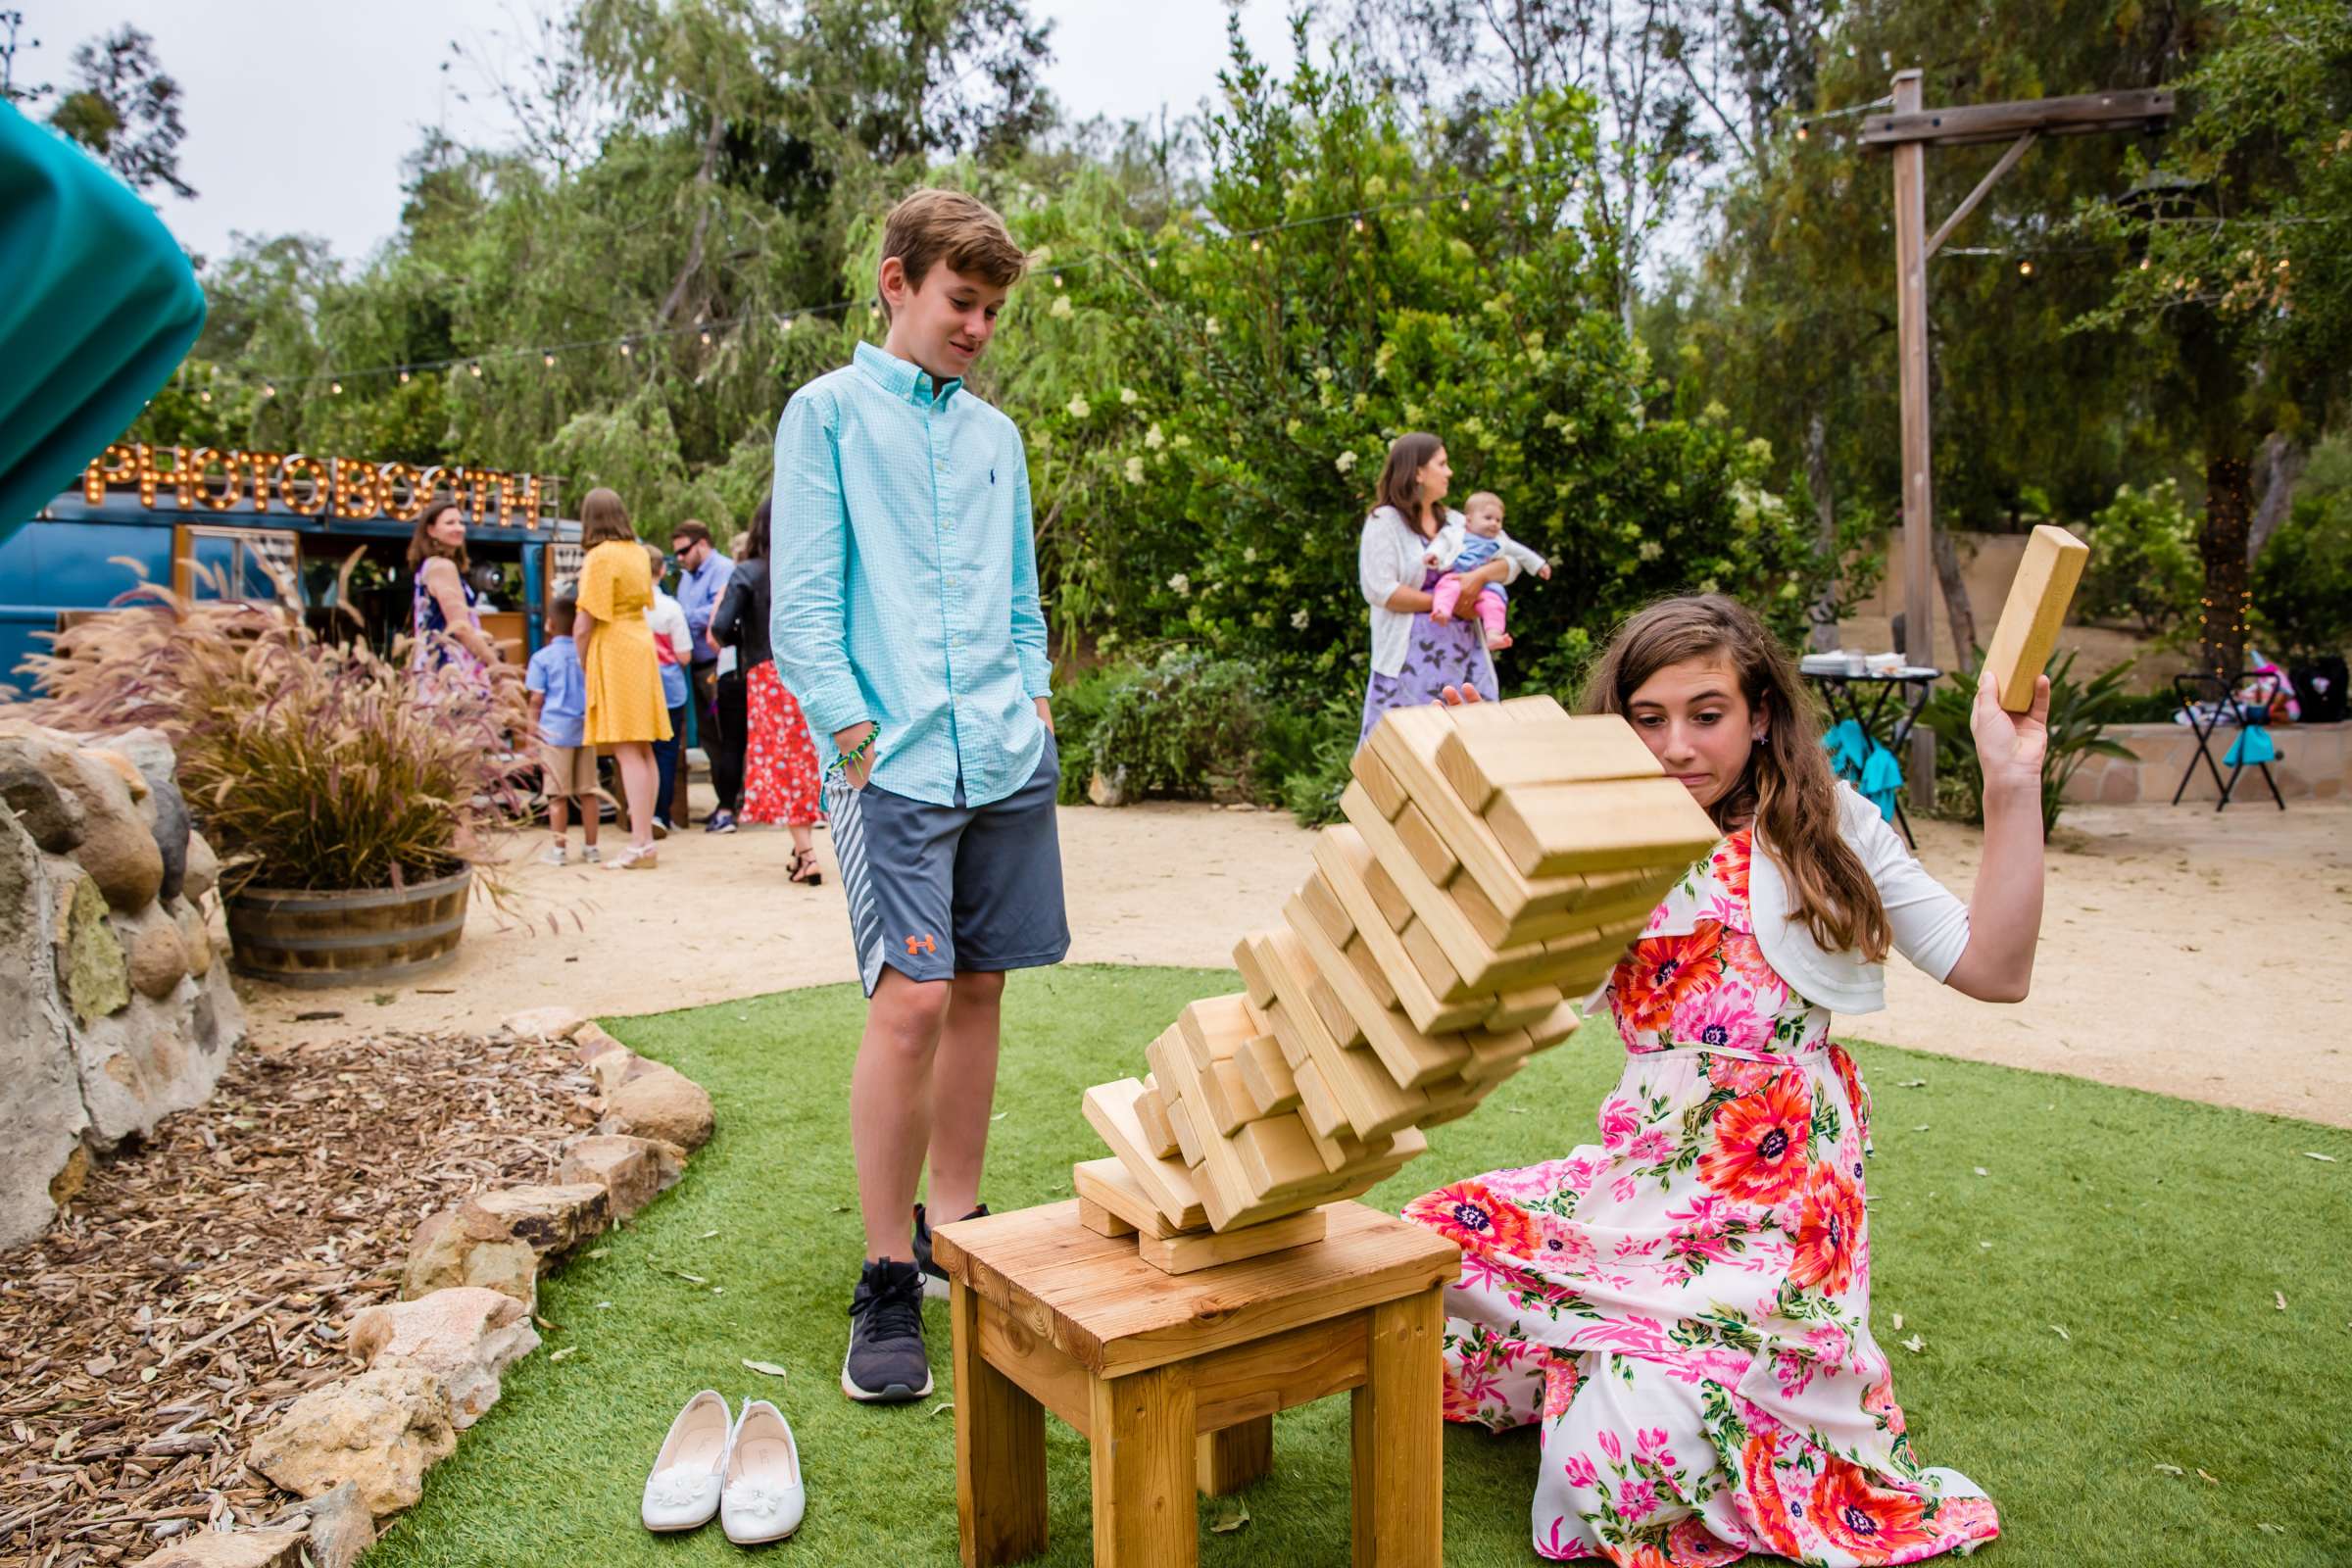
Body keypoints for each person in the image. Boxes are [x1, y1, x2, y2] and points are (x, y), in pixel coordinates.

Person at [1405, 594, 2045, 1565]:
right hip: (1642, 1189)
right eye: (1647, 717)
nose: (1675, 745)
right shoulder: (1601, 842)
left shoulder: (1830, 827)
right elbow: (1484, 1004)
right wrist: (1473, 813)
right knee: (1426, 1243)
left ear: (1758, 714)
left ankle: (1634, 1365)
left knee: (1595, 1484)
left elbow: (1995, 968)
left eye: (1706, 714)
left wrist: (2010, 780)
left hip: (1782, 1220)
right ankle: (1610, 1344)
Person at [771, 187, 1066, 1405]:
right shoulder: (826, 413)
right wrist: (854, 735)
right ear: (896, 283)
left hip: (1004, 750)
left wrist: (1038, 704)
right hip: (891, 757)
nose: (978, 326)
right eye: (961, 300)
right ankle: (888, 1271)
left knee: (984, 983)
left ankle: (957, 1229)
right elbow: (803, 607)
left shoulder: (996, 439)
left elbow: (1019, 600)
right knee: (914, 1000)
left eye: (993, 308)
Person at [1355, 432, 1517, 749]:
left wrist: (1478, 576)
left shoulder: (1458, 522)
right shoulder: (1384, 521)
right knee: (1402, 753)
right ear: (1417, 472)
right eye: (1441, 464)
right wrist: (1448, 603)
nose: (1449, 472)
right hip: (1406, 665)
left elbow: (1509, 561)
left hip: (1465, 660)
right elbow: (1381, 591)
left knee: (1476, 749)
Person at [711, 498, 823, 882]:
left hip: (768, 675)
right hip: (815, 671)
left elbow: (720, 628)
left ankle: (808, 855)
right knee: (809, 758)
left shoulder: (748, 572)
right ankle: (800, 846)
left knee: (782, 761)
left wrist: (742, 634)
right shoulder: (807, 568)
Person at [573, 487, 671, 870]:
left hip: (613, 645)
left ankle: (640, 842)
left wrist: (583, 662)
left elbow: (585, 622)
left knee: (628, 751)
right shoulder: (637, 552)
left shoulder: (598, 557)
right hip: (639, 642)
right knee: (643, 749)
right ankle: (644, 837)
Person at [523, 595, 599, 865]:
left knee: (557, 794)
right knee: (589, 792)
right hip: (585, 730)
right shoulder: (587, 654)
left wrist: (531, 736)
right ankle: (592, 848)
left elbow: (536, 700)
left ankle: (559, 850)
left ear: (549, 624)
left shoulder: (542, 658)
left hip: (554, 732)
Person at [1426, 490, 1550, 651]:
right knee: (1446, 587)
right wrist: (1433, 555)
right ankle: (1442, 611)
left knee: (1496, 602)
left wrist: (1539, 565)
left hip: (1487, 586)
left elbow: (1522, 553)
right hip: (1457, 575)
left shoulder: (1500, 541)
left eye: (1498, 520)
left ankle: (1493, 635)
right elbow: (1441, 544)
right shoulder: (1455, 533)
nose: (1494, 524)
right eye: (1488, 518)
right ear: (1468, 520)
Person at [672, 518, 732, 827]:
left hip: (717, 668)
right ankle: (723, 800)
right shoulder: (687, 578)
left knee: (723, 736)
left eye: (684, 551)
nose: (680, 558)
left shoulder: (723, 569)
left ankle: (730, 802)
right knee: (709, 738)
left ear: (702, 543)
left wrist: (680, 618)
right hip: (695, 666)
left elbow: (717, 613)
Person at [407, 500, 501, 680]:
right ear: (431, 530)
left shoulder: (429, 566)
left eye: (460, 522)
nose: (459, 528)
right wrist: (496, 665)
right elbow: (461, 628)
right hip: (449, 665)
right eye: (450, 523)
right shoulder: (443, 567)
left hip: (431, 664)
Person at [643, 542, 694, 835]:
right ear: (662, 570)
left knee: (638, 752)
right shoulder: (670, 608)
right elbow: (684, 654)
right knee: (665, 753)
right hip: (669, 688)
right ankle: (660, 814)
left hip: (637, 688)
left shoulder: (629, 608)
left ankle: (637, 812)